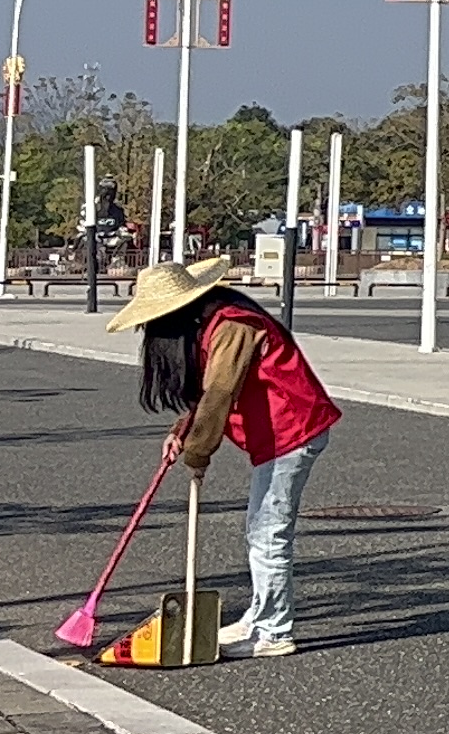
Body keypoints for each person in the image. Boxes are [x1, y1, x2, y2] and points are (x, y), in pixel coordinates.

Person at [111, 253, 343, 659]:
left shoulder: (233, 326)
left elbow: (220, 393)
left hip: (292, 430)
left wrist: (198, 452)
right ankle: (258, 616)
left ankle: (273, 630)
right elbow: (206, 393)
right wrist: (182, 430)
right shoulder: (210, 324)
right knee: (260, 530)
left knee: (268, 533)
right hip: (276, 433)